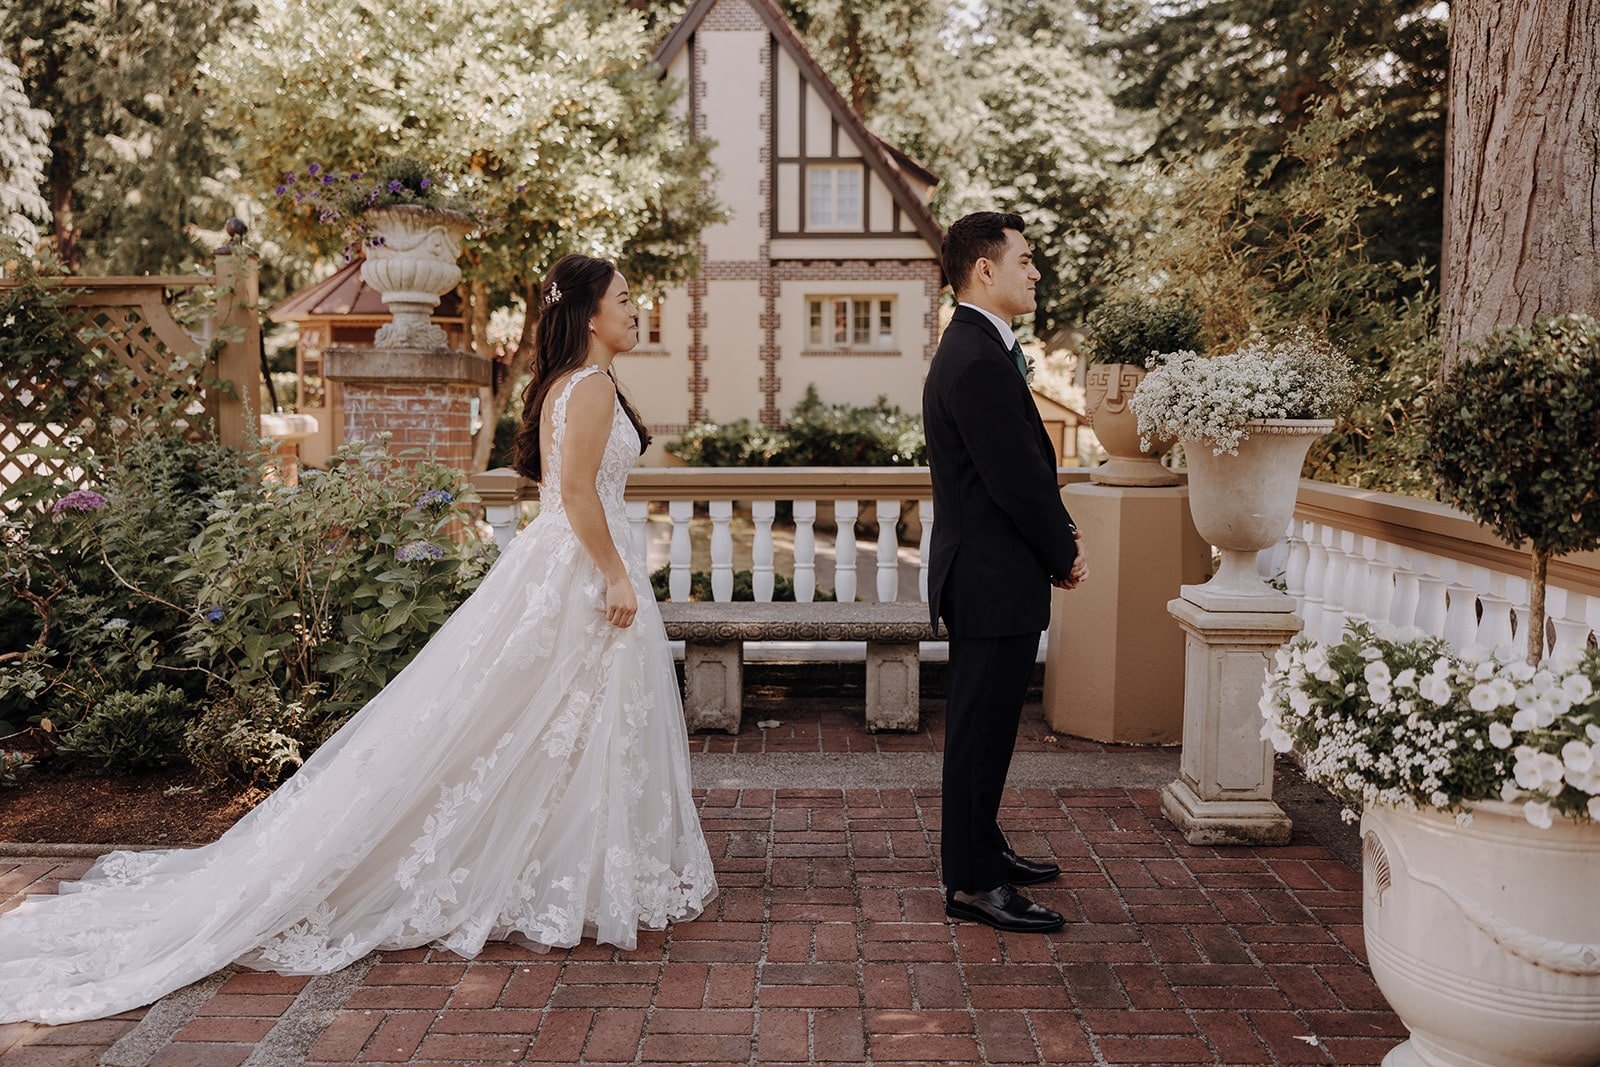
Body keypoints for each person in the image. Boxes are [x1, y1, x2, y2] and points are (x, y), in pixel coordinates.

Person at [0, 254, 716, 1025]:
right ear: (588, 311)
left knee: (532, 723)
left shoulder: (564, 385)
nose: (637, 309)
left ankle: (568, 861)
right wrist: (614, 574)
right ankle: (571, 867)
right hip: (579, 569)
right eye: (626, 298)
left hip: (553, 564)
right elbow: (575, 491)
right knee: (549, 722)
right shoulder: (594, 387)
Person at [922, 212, 1086, 934]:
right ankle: (972, 882)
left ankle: (982, 844)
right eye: (1025, 258)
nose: (1035, 270)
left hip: (993, 571)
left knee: (989, 728)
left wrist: (1057, 539)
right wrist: (1063, 549)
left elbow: (1013, 473)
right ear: (984, 269)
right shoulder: (976, 358)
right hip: (989, 575)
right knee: (979, 733)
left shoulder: (978, 348)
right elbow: (1015, 479)